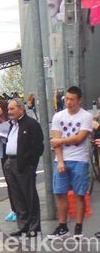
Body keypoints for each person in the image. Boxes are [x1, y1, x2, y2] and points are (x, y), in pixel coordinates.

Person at [48, 86, 94, 240]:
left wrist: (60, 140)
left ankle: (78, 228)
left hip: (79, 160)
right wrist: (60, 161)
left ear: (79, 100)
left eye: (72, 99)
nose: (68, 102)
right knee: (60, 193)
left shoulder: (86, 116)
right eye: (66, 99)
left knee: (79, 194)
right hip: (62, 160)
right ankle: (63, 227)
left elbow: (79, 138)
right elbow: (55, 142)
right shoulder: (58, 116)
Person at [3, 98, 44, 238]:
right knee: (17, 197)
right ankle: (23, 226)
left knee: (29, 196)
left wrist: (30, 164)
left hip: (24, 165)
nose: (9, 112)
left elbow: (38, 147)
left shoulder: (31, 124)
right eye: (8, 109)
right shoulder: (11, 124)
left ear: (21, 109)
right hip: (10, 162)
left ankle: (34, 227)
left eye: (12, 109)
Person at [0, 100, 17, 222]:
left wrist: (1, 127)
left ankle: (19, 209)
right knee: (9, 182)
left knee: (16, 182)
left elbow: (10, 137)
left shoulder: (11, 121)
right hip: (3, 155)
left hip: (12, 154)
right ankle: (13, 209)